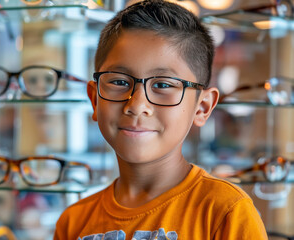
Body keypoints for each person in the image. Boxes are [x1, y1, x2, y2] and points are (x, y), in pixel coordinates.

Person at [54, 0, 268, 239]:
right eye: (119, 82)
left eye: (163, 85)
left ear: (202, 107)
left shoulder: (224, 212)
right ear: (95, 100)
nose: (137, 106)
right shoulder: (74, 221)